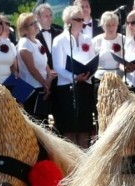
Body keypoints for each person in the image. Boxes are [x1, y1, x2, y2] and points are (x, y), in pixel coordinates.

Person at [52, 5, 95, 147]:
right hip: (67, 88)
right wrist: (74, 77)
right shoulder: (59, 40)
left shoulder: (87, 39)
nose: (82, 22)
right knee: (69, 127)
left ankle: (84, 158)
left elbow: (92, 59)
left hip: (85, 86)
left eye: (83, 19)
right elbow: (58, 67)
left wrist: (88, 72)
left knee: (84, 126)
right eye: (78, 19)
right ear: (69, 21)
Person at [16, 11, 54, 119]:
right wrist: (44, 83)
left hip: (40, 86)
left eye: (35, 22)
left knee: (43, 121)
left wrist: (49, 77)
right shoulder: (24, 43)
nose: (36, 25)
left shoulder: (37, 42)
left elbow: (44, 62)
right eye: (32, 24)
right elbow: (31, 68)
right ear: (24, 29)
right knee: (34, 120)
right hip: (29, 88)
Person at [93, 11, 124, 81]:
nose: (111, 28)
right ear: (103, 26)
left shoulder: (123, 39)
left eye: (113, 25)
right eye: (108, 25)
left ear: (117, 25)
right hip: (100, 78)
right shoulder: (96, 40)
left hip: (119, 78)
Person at [34, 3, 61, 71]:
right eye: (46, 16)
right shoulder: (33, 36)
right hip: (42, 75)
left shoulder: (59, 33)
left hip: (60, 75)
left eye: (50, 15)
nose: (49, 18)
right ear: (38, 17)